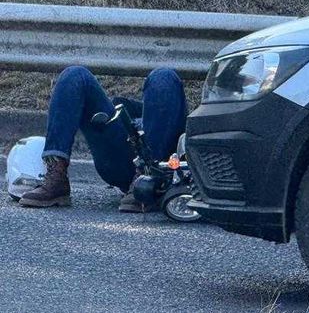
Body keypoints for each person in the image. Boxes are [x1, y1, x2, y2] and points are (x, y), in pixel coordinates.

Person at [18, 66, 187, 212]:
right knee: (75, 74)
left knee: (163, 76)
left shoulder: (168, 97)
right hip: (122, 155)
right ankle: (57, 176)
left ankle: (149, 178)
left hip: (162, 162)